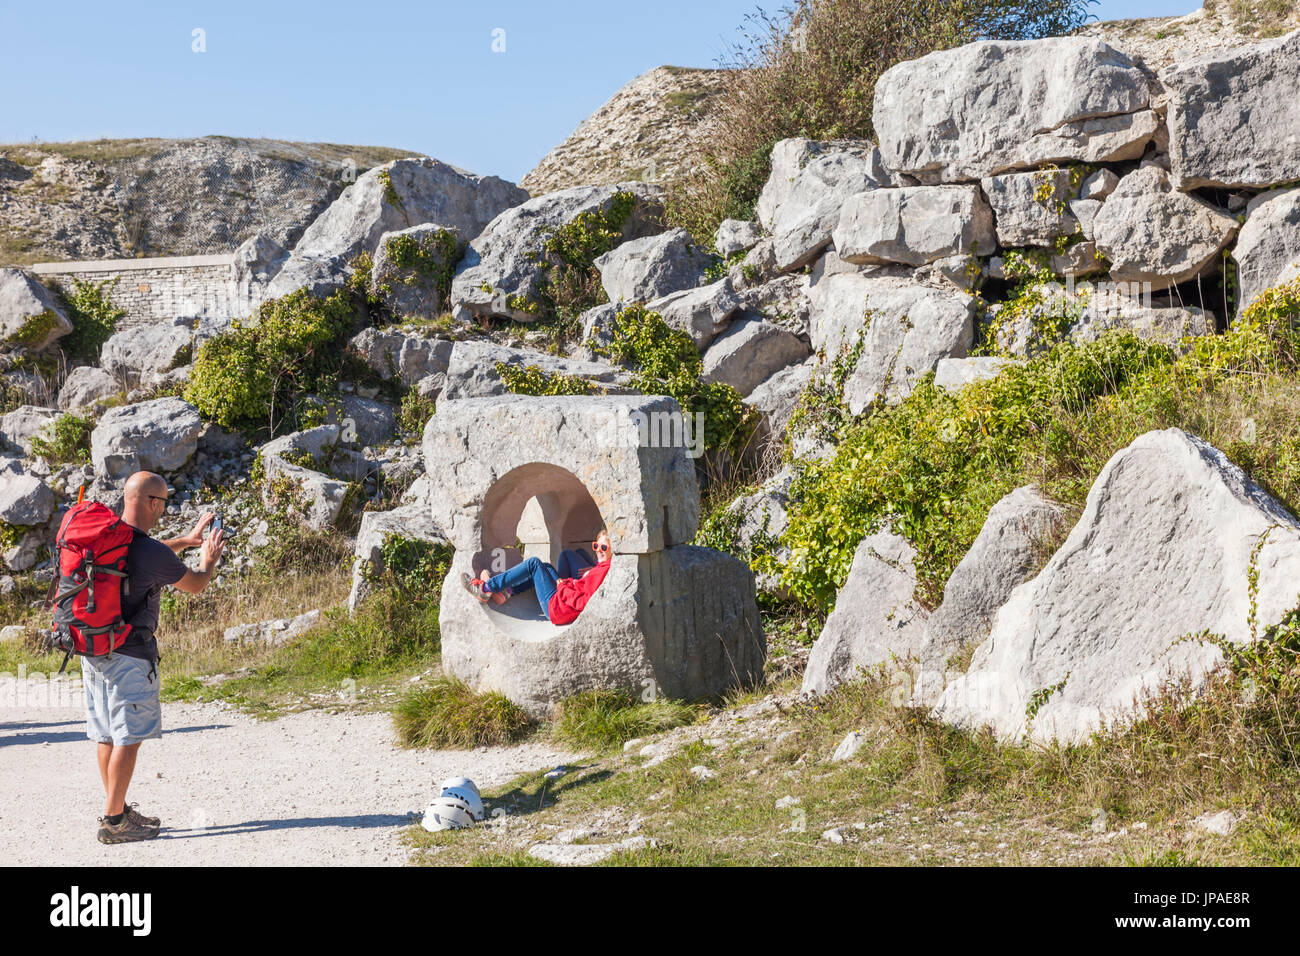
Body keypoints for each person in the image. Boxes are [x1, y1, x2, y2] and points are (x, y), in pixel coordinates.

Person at [85, 471, 226, 845]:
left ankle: (117, 808)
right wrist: (208, 559)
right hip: (129, 655)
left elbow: (155, 551)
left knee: (107, 735)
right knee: (129, 738)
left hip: (94, 650)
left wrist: (186, 540)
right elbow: (194, 584)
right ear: (151, 502)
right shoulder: (149, 551)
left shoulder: (111, 537)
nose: (163, 509)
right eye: (162, 502)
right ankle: (114, 821)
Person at [463, 529, 612, 626]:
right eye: (596, 546)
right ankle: (507, 592)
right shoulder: (602, 568)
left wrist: (563, 586)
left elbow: (582, 602)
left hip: (558, 610)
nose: (599, 550)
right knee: (546, 567)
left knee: (533, 564)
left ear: (613, 549)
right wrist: (566, 583)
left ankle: (486, 588)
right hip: (562, 602)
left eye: (603, 547)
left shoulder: (602, 571)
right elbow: (581, 589)